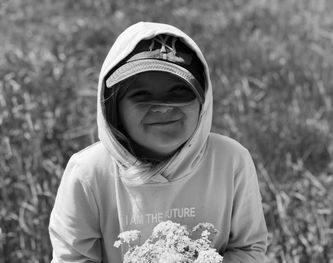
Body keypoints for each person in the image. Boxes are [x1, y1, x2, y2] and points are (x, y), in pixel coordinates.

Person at [49, 21, 268, 262]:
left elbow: (249, 248)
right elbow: (72, 258)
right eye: (141, 95)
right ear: (114, 108)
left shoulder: (231, 160)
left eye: (179, 92)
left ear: (202, 101)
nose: (163, 108)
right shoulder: (88, 172)